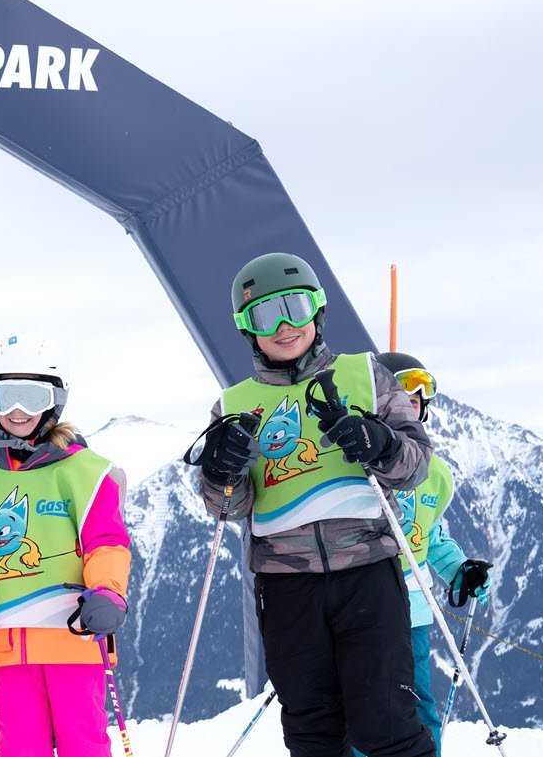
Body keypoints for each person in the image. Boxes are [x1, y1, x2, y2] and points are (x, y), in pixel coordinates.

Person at [193, 252, 437, 757]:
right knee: (312, 731)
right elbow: (228, 508)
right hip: (286, 587)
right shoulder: (234, 403)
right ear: (247, 328)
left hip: (367, 570)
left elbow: (415, 468)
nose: (284, 326)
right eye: (265, 315)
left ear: (318, 311)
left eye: (295, 308)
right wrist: (220, 471)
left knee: (386, 725)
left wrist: (380, 443)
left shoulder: (364, 376)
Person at [0, 334, 131, 757]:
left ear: (54, 400)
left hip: (74, 638)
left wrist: (108, 591)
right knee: (20, 746)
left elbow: (106, 542)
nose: (17, 411)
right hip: (7, 644)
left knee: (83, 744)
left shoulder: (85, 472)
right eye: (3, 397)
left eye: (31, 396)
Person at [351, 352, 493, 757]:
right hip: (359, 603)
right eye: (401, 395)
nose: (412, 402)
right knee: (363, 704)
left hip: (411, 607)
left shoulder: (436, 473)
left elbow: (431, 535)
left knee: (415, 703)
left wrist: (460, 570)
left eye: (418, 399)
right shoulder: (354, 464)